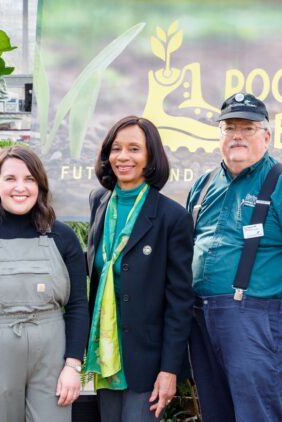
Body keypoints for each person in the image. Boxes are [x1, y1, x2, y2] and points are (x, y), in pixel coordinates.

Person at [185, 93, 282, 421]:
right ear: (219, 135)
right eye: (229, 127)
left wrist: (279, 309)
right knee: (215, 413)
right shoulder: (203, 185)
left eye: (248, 128)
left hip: (258, 320)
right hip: (201, 318)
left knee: (255, 415)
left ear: (267, 136)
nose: (237, 135)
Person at [0, 146, 89, 421]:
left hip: (52, 357)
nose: (20, 187)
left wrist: (73, 365)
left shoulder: (62, 236)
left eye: (29, 179)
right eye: (10, 179)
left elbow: (79, 305)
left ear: (40, 185)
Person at [86, 116, 194, 421]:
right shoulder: (99, 202)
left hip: (146, 359)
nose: (123, 157)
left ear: (150, 157)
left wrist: (169, 369)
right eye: (116, 148)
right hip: (105, 351)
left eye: (134, 149)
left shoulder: (172, 218)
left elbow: (180, 300)